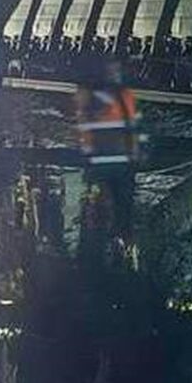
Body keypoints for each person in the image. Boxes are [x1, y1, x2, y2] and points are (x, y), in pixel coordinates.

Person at [74, 54, 142, 261]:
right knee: (114, 208)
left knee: (106, 208)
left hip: (110, 163)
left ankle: (109, 249)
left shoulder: (102, 95)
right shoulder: (119, 96)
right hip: (115, 163)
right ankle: (116, 249)